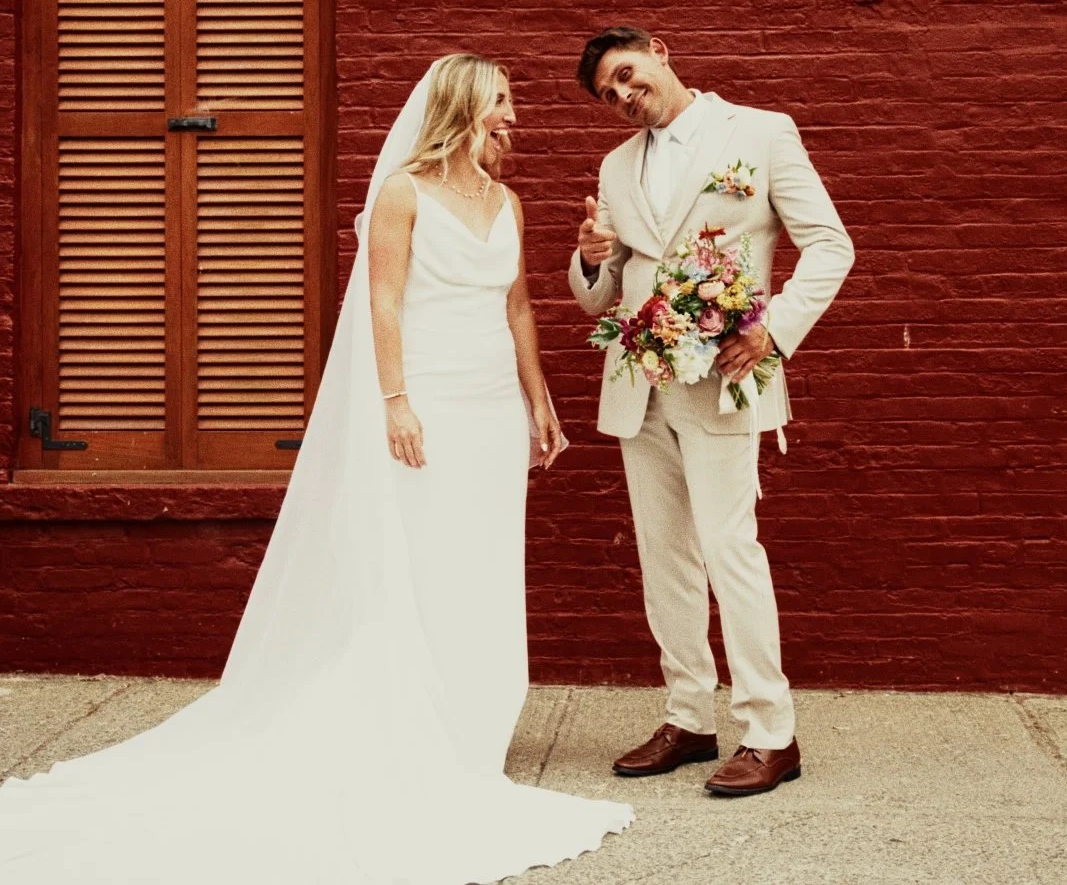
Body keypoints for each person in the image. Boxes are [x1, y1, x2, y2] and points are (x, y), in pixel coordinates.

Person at [0, 54, 632, 883]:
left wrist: (537, 400)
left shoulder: (505, 200)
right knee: (421, 563)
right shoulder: (403, 193)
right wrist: (395, 401)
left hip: (491, 412)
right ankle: (410, 724)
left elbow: (515, 306)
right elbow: (383, 302)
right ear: (464, 107)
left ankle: (469, 723)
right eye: (502, 101)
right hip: (429, 402)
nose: (514, 115)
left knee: (479, 565)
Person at [569, 27, 854, 797]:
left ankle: (771, 731)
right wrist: (591, 259)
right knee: (664, 555)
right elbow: (602, 292)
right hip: (639, 385)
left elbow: (831, 245)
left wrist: (773, 332)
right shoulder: (617, 165)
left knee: (731, 549)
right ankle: (689, 717)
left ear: (659, 51)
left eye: (627, 74)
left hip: (725, 380)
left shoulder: (760, 133)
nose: (624, 96)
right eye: (609, 95)